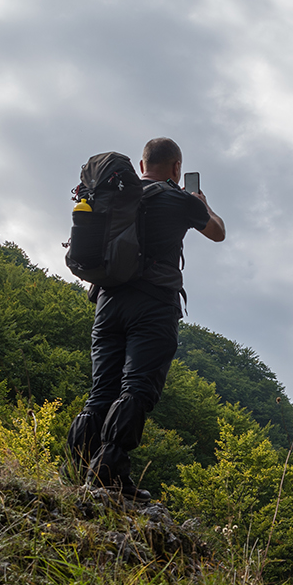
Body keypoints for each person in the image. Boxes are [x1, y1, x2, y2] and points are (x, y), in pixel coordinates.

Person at [67, 137, 226, 500]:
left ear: (140, 167)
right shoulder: (180, 199)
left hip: (108, 302)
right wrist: (203, 204)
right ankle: (109, 474)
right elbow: (218, 232)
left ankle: (77, 470)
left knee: (101, 392)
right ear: (176, 169)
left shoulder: (114, 195)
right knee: (137, 387)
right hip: (153, 304)